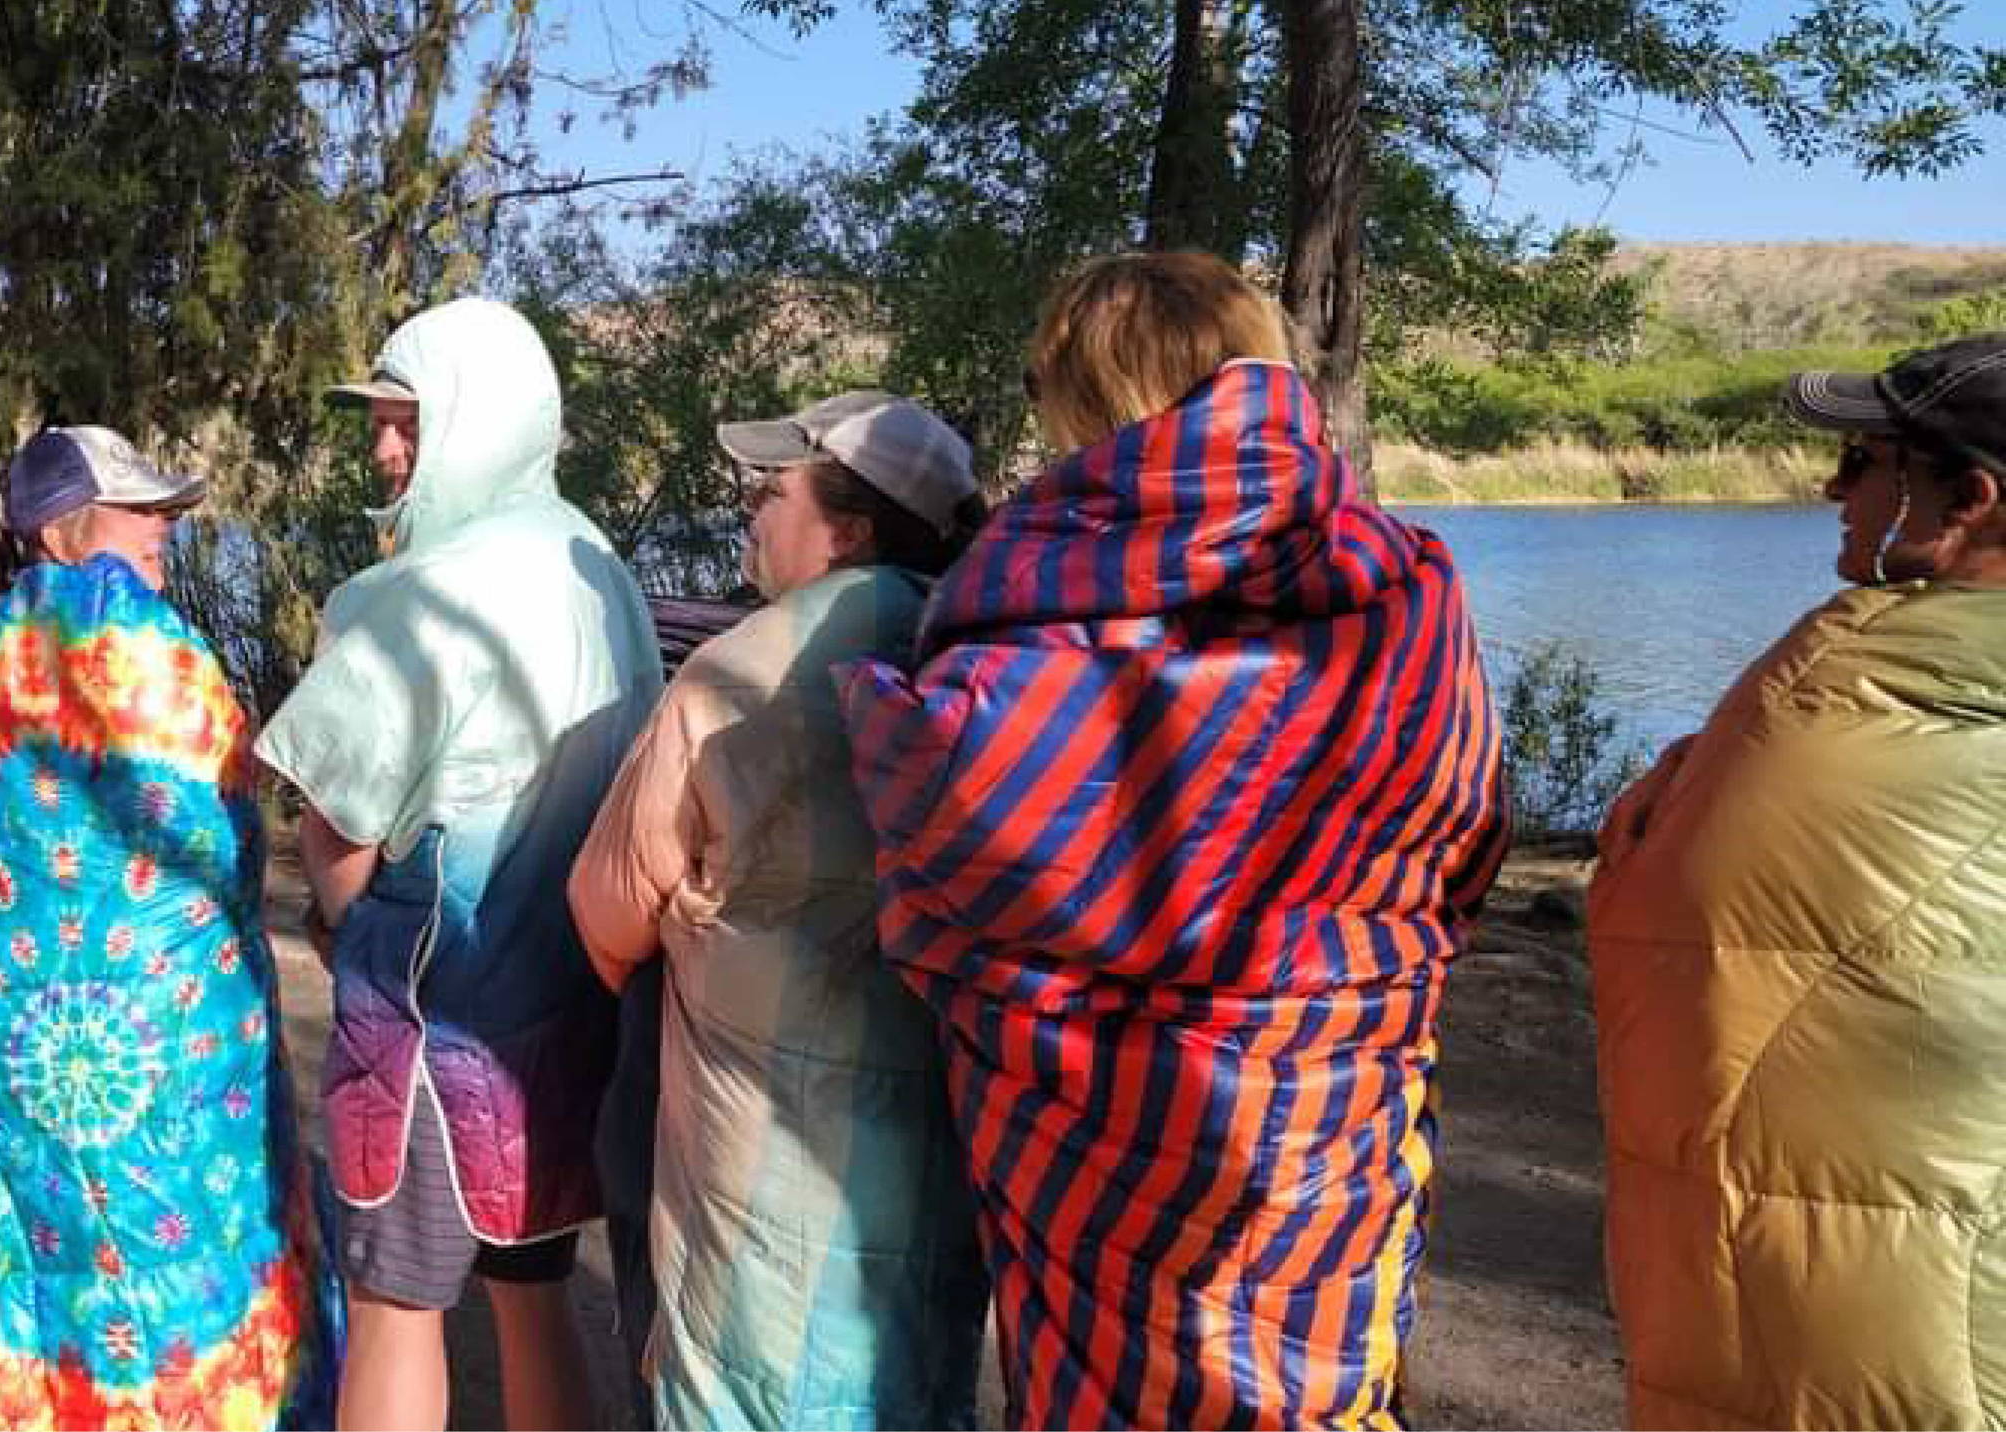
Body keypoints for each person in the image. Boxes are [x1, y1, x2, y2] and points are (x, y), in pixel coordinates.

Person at [837, 251, 1505, 1428]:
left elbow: (947, 807)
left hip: (1107, 1147)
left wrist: (849, 686)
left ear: (1089, 410)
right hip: (1340, 1117)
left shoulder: (1029, 627)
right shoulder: (1411, 596)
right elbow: (1464, 850)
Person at [256, 297, 661, 1431]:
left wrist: (346, 933)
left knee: (394, 1305)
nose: (384, 449)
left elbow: (334, 823)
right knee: (534, 1301)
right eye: (380, 423)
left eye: (407, 424)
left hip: (431, 1026)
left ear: (475, 424)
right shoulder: (597, 563)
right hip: (566, 1019)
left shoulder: (425, 592)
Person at [1589, 333, 2006, 1429]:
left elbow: (1677, 927)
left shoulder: (1855, 683)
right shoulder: (1860, 683)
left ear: (1967, 497)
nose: (1833, 485)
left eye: (1867, 460)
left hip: (1865, 1331)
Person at [566, 391, 993, 1429]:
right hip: (943, 1127)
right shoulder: (990, 660)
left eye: (770, 491)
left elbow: (606, 904)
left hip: (757, 1147)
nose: (749, 511)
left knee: (738, 1374)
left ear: (846, 529)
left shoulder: (740, 672)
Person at [0, 426, 337, 1430]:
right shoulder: (127, 637)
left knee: (46, 1286)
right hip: (148, 1072)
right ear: (63, 531)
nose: (166, 529)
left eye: (171, 510)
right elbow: (225, 818)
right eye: (142, 508)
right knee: (170, 1287)